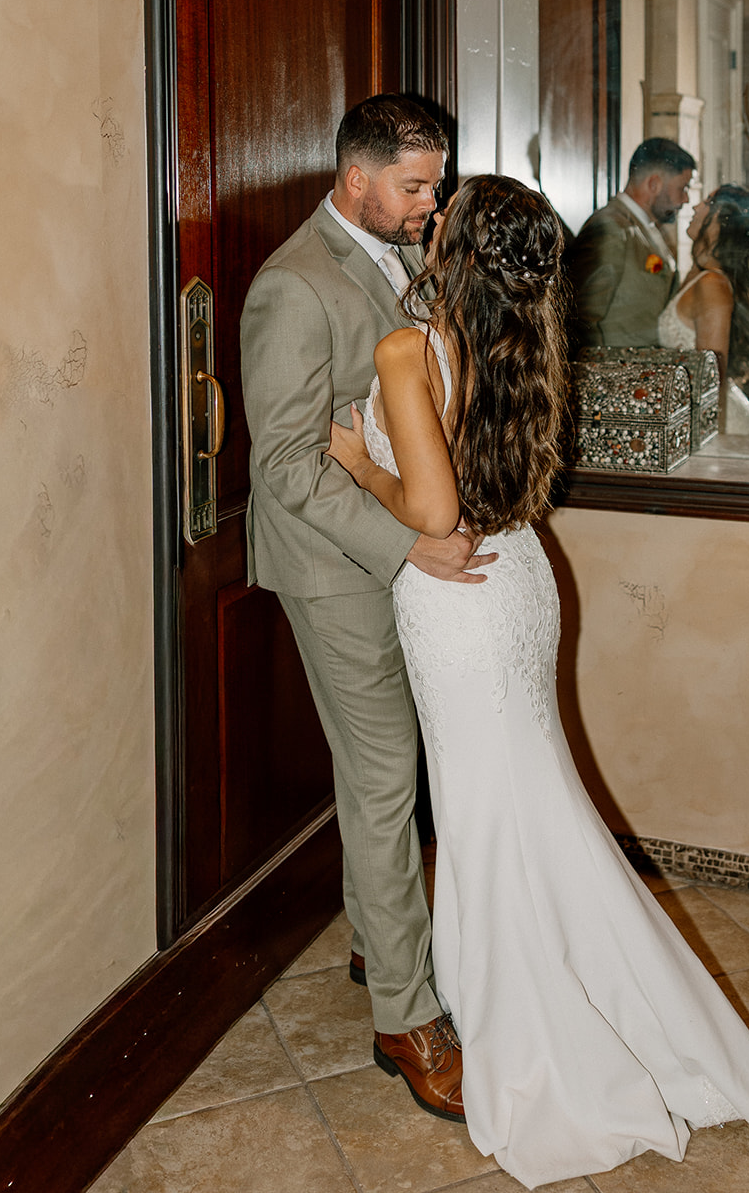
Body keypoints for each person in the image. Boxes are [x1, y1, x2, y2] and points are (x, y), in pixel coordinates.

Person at [326, 174, 749, 1188]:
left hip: (461, 598)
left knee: (488, 812)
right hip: (523, 578)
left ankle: (534, 1020)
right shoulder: (522, 338)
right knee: (531, 800)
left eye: (441, 212)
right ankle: (610, 999)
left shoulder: (411, 352)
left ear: (452, 246)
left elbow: (434, 513)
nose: (429, 212)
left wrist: (357, 466)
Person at [240, 94, 496, 1125]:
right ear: (355, 178)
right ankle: (404, 1014)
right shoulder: (288, 288)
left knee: (392, 766)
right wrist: (409, 546)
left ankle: (369, 936)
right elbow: (285, 469)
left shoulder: (397, 249)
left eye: (434, 182)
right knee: (385, 775)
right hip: (336, 568)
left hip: (395, 546)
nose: (431, 203)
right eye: (415, 184)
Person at [657, 183, 749, 436]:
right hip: (696, 415)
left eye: (706, 202)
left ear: (720, 218)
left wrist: (705, 439)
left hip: (717, 424)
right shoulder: (701, 273)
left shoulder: (712, 285)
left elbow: (711, 378)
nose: (695, 206)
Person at [567, 138, 696, 347]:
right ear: (654, 184)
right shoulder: (611, 228)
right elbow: (582, 317)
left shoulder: (648, 228)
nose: (685, 199)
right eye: (682, 188)